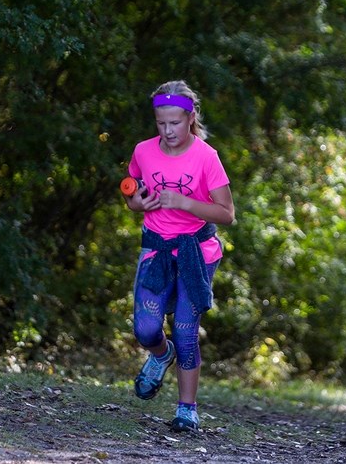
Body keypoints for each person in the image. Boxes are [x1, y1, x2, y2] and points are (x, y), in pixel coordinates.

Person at [122, 80, 235, 433]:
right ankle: (160, 354)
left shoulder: (206, 157)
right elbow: (131, 188)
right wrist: (134, 202)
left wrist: (185, 202)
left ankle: (187, 409)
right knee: (146, 328)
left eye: (175, 122)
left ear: (190, 118)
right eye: (161, 123)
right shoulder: (143, 151)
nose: (168, 130)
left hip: (196, 252)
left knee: (186, 330)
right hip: (155, 248)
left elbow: (227, 213)